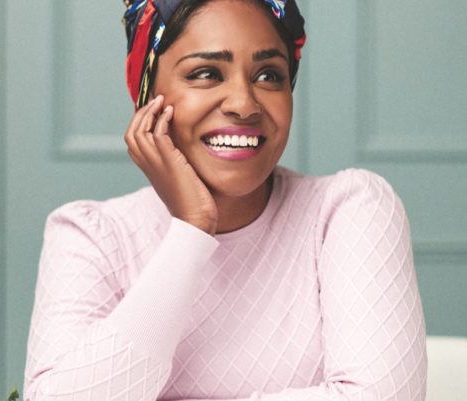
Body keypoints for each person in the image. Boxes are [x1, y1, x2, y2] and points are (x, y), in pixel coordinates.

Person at [23, 0, 427, 400]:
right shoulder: (91, 235)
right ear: (147, 94)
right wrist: (192, 230)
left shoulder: (348, 210)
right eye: (206, 74)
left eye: (269, 75)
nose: (244, 104)